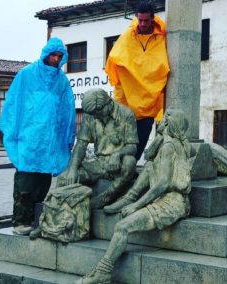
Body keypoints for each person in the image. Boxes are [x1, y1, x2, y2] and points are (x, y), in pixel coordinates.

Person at [76, 110, 191, 284]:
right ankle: (128, 197)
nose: (159, 121)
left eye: (163, 119)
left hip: (171, 202)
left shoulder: (169, 146)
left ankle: (103, 272)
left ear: (168, 123)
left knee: (122, 226)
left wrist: (136, 206)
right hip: (168, 199)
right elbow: (149, 156)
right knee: (150, 165)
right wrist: (159, 137)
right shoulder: (168, 143)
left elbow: (162, 184)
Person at [0, 37, 76, 236]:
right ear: (46, 54)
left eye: (60, 56)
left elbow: (67, 111)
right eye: (53, 55)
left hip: (49, 143)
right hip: (28, 140)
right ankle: (21, 222)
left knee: (42, 186)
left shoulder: (62, 82)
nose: (56, 59)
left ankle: (37, 220)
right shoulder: (27, 75)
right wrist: (13, 132)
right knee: (25, 184)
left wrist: (67, 137)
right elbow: (14, 104)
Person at [105, 2, 170, 161]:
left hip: (148, 104)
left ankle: (130, 168)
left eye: (146, 21)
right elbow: (114, 61)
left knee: (140, 142)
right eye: (140, 20)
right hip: (127, 103)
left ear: (152, 19)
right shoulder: (128, 36)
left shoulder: (162, 37)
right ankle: (120, 171)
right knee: (122, 142)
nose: (142, 24)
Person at [57, 88, 138, 209]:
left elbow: (132, 147)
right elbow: (81, 145)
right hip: (99, 165)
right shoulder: (90, 116)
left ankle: (105, 198)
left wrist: (117, 154)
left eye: (97, 113)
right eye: (93, 114)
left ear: (108, 104)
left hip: (119, 165)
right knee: (64, 178)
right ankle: (61, 215)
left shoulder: (127, 114)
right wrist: (72, 169)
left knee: (129, 162)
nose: (95, 116)